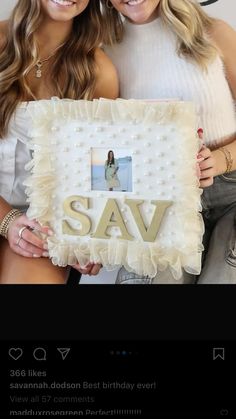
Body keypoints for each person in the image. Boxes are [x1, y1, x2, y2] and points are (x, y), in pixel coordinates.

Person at [101, 0, 236, 284]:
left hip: (231, 192)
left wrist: (222, 158)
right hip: (160, 198)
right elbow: (108, 151)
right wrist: (99, 228)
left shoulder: (215, 32)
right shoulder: (104, 54)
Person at [0, 0, 118, 284]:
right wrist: (7, 220)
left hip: (43, 221)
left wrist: (90, 234)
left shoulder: (99, 71)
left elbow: (105, 171)